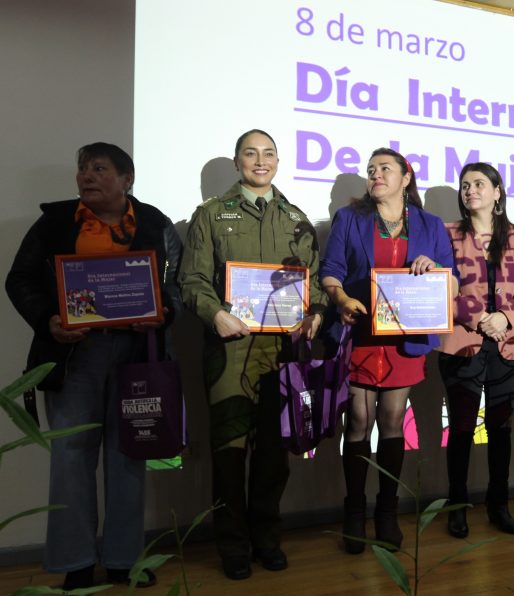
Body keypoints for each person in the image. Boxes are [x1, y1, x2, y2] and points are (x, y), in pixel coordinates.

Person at [5, 142, 181, 590]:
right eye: (82, 168)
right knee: (70, 458)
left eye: (99, 168)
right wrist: (48, 320)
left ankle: (124, 561)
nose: (86, 176)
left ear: (127, 179)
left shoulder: (156, 224)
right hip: (74, 355)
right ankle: (76, 563)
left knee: (128, 456)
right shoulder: (56, 223)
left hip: (136, 357)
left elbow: (175, 284)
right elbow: (19, 278)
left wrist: (166, 313)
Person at [179, 130, 326, 580]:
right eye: (250, 154)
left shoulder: (297, 217)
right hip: (231, 350)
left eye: (268, 154)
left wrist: (315, 314)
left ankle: (266, 536)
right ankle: (233, 544)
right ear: (238, 161)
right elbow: (192, 281)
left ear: (278, 161)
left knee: (274, 453)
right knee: (229, 453)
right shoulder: (210, 215)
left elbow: (313, 283)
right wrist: (216, 315)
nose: (260, 162)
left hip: (283, 353)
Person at [320, 147, 455, 554]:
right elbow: (331, 272)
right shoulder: (349, 218)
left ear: (406, 178)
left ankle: (387, 512)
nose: (376, 174)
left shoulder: (431, 225)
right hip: (361, 333)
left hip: (404, 339)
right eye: (371, 170)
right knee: (359, 421)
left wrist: (434, 270)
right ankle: (354, 511)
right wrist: (341, 300)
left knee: (393, 419)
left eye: (385, 169)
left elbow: (451, 285)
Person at [436, 163, 514, 538]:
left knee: (501, 428)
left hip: (509, 345)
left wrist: (505, 318)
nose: (470, 190)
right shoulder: (446, 235)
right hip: (462, 343)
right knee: (461, 429)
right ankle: (458, 506)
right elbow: (440, 287)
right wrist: (480, 318)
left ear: (497, 192)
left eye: (479, 183)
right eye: (465, 185)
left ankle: (499, 505)